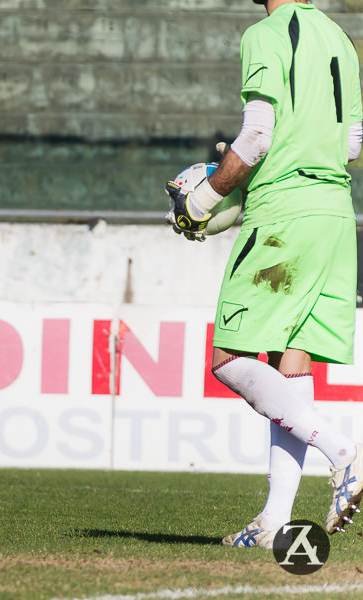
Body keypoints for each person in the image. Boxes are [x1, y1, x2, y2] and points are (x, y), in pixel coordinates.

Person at [166, 0, 363, 547]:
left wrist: (203, 199)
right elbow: (353, 141)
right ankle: (275, 519)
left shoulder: (267, 31)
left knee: (227, 359)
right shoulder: (341, 39)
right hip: (335, 214)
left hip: (285, 216)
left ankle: (343, 451)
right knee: (291, 360)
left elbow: (256, 136)